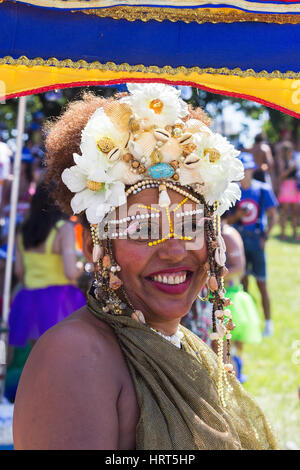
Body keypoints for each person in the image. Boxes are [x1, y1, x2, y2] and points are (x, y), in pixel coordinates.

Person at [13, 84, 278, 450]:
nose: (173, 251)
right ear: (94, 247)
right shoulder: (76, 355)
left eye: (189, 226)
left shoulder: (183, 343)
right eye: (143, 229)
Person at [8, 181, 86, 349]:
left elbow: (19, 272)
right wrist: (82, 266)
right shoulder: (63, 229)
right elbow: (71, 272)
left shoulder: (23, 231)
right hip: (60, 300)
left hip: (28, 300)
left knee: (36, 355)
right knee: (62, 354)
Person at [226, 152, 278, 338]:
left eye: (247, 170)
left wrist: (266, 235)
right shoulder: (233, 192)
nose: (244, 174)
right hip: (239, 239)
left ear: (252, 170)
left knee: (262, 283)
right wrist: (237, 216)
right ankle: (250, 320)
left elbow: (274, 215)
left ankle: (268, 322)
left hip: (256, 238)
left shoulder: (262, 189)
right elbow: (227, 220)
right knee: (244, 283)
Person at [221, 219, 262, 383]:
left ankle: (235, 374)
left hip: (229, 296)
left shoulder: (227, 234)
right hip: (224, 294)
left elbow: (239, 267)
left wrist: (209, 278)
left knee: (227, 343)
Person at [277, 141, 300, 241]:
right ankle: (283, 233)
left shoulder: (294, 160)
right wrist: (290, 169)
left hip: (295, 187)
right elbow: (281, 176)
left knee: (296, 212)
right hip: (286, 187)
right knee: (285, 212)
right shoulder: (282, 162)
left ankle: (295, 233)